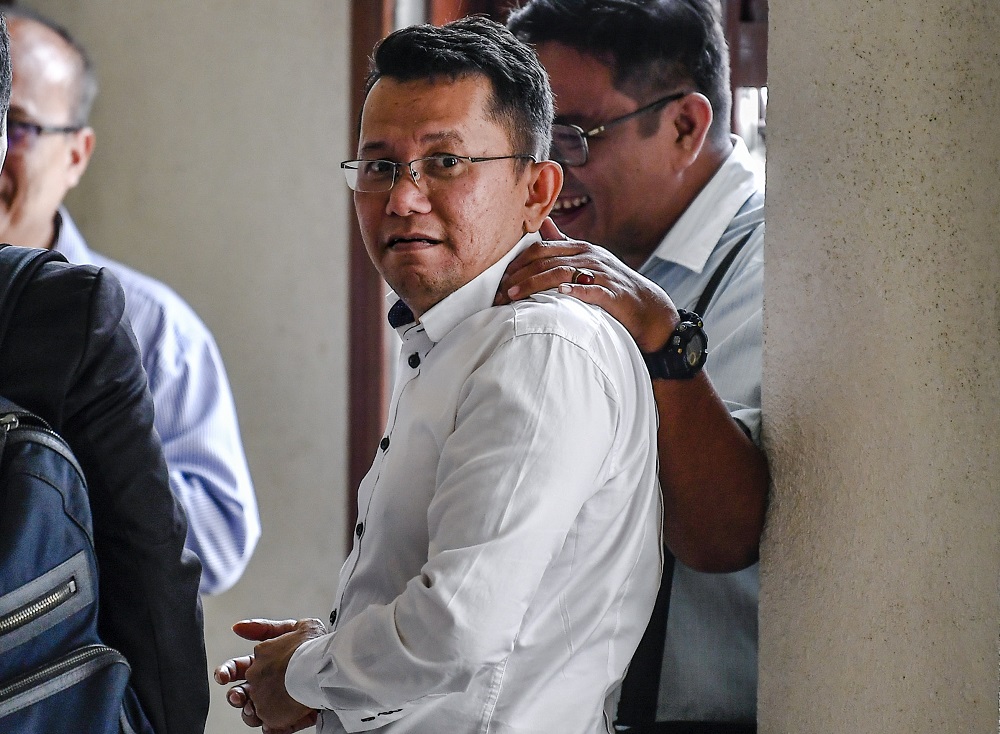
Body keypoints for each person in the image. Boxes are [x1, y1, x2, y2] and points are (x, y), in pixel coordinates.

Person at [214, 16, 662, 733]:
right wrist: (330, 656)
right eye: (379, 165)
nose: (402, 198)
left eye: (445, 163)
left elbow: (456, 629)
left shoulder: (541, 346)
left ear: (538, 189)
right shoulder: (458, 338)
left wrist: (304, 676)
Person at [497, 1, 769, 730]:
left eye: (575, 135)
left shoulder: (783, 277)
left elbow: (721, 534)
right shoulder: (546, 262)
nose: (547, 168)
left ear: (684, 125)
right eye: (527, 137)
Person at [1, 7, 260, 595]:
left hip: (52, 676)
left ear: (76, 155)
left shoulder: (149, 326)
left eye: (14, 125)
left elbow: (218, 543)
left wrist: (60, 464)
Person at [0, 13, 208, 734]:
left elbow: (199, 534)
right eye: (12, 125)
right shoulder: (70, 313)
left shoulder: (138, 320)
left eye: (29, 127)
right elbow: (155, 584)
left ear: (78, 153)